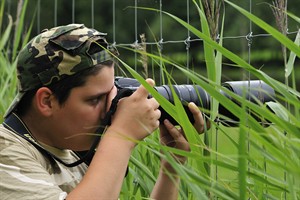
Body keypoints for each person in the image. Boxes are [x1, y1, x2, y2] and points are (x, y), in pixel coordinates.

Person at [0, 24, 207, 200]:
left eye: (111, 95)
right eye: (95, 99)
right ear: (46, 101)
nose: (109, 108)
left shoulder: (69, 149)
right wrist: (121, 136)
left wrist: (170, 166)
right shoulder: (5, 153)